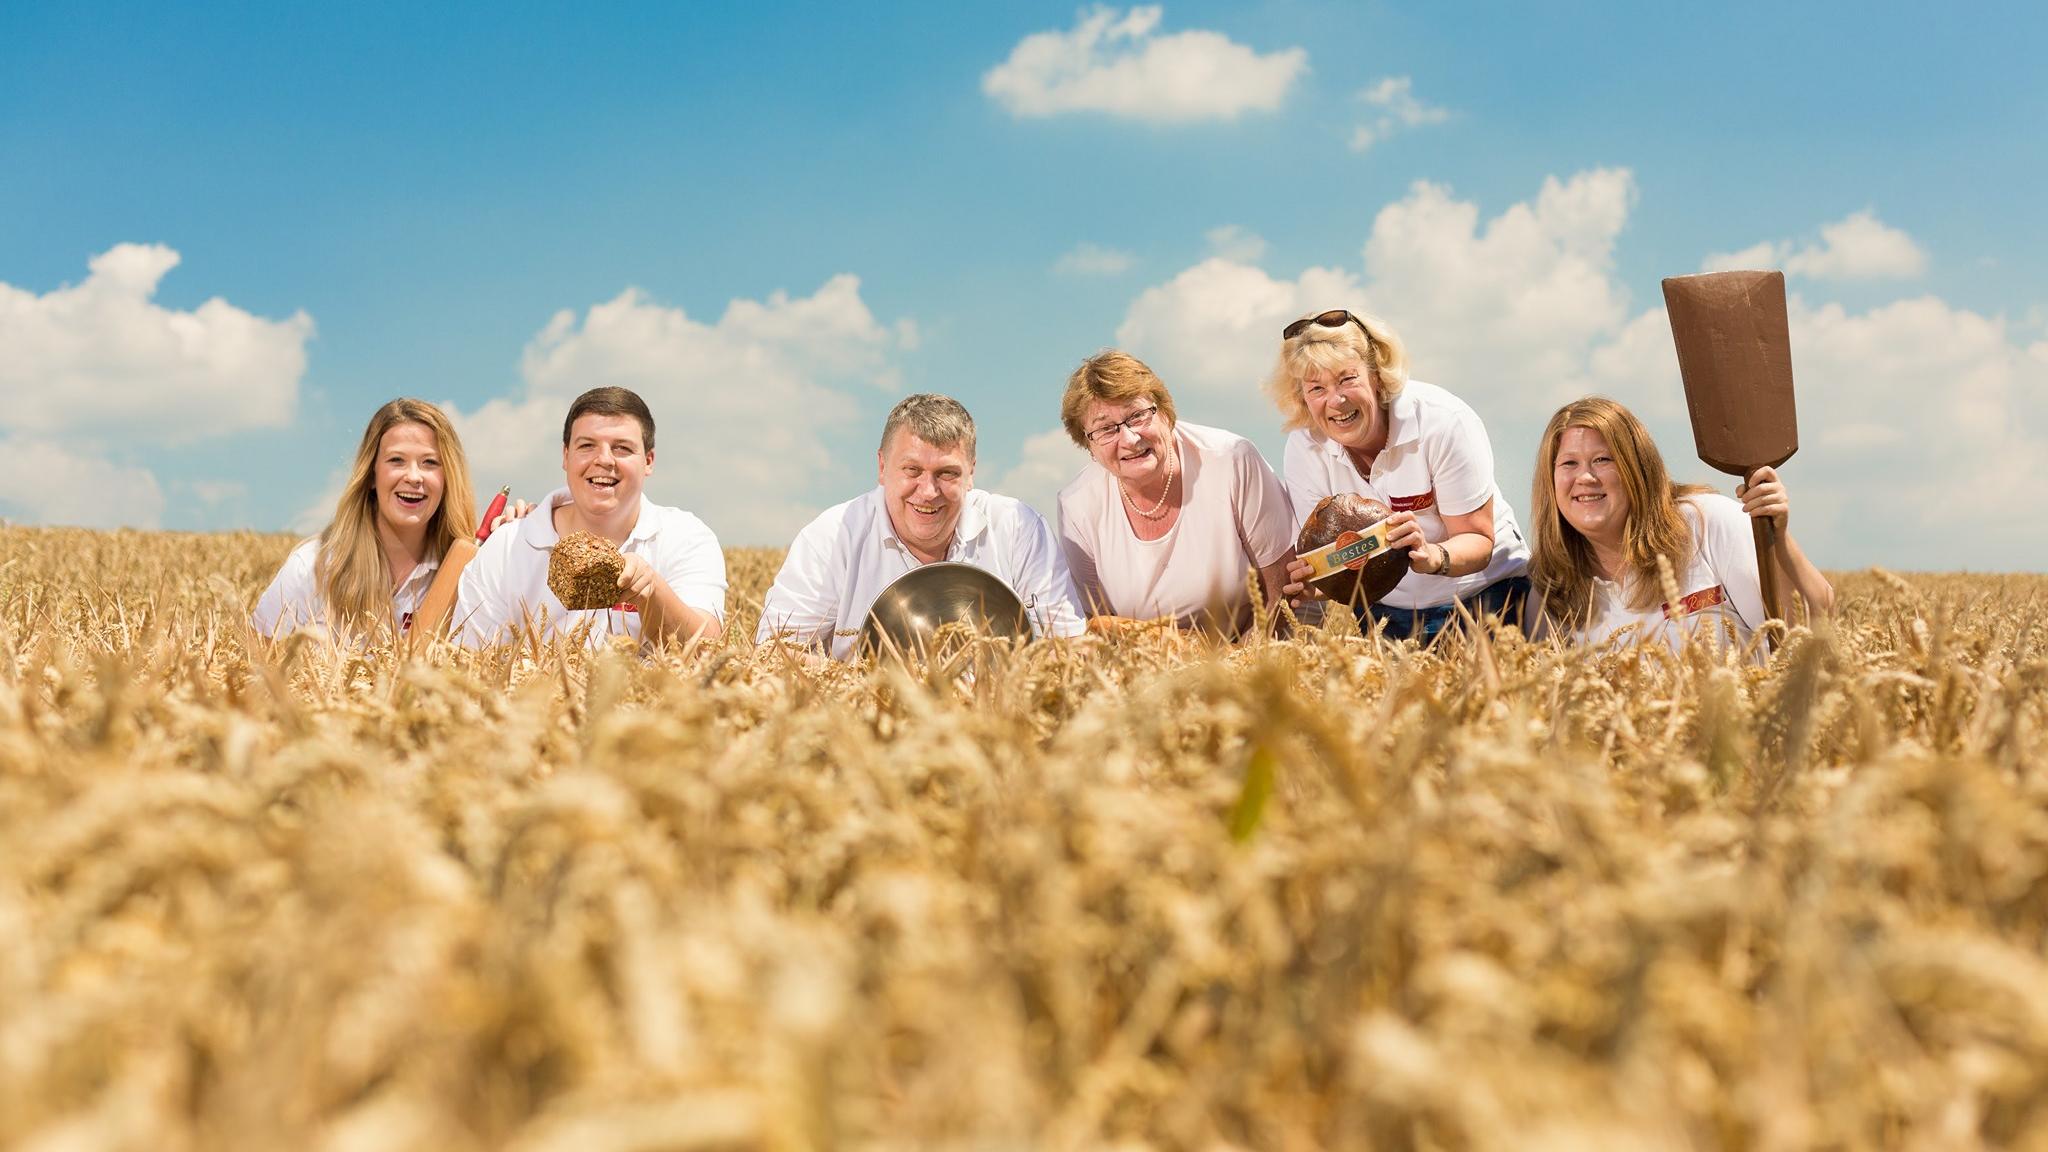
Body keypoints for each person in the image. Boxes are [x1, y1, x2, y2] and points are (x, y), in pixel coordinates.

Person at [756, 393, 1086, 660]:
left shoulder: (1019, 528)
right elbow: (774, 655)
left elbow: (1069, 650)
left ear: (971, 473)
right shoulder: (830, 537)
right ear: (882, 467)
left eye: (947, 473)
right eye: (912, 470)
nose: (928, 492)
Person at [1270, 308, 1531, 641]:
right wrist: (1317, 583)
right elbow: (1339, 563)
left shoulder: (1443, 421)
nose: (1335, 401)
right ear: (1302, 397)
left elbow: (1478, 540)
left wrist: (1432, 555)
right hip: (1384, 611)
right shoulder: (1305, 447)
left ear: (1377, 376)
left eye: (1347, 379)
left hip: (1485, 595)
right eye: (1316, 388)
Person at [1529, 396, 1833, 648]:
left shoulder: (1707, 522)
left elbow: (1810, 625)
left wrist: (1776, 539)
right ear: (1550, 480)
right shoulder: (1551, 587)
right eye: (1569, 463)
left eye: (1603, 460)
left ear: (1637, 468)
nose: (1585, 477)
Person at [455, 387, 726, 649]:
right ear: (565, 456)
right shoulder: (506, 546)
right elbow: (470, 663)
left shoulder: (687, 538)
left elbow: (707, 652)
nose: (604, 460)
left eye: (622, 448)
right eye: (587, 445)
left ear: (649, 461)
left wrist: (652, 591)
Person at [1054, 350, 1296, 636]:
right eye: (1106, 429)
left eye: (1137, 416)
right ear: (1088, 445)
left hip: (1254, 646)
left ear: (1166, 415)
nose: (1130, 439)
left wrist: (1240, 666)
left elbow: (1282, 585)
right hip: (1148, 666)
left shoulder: (1231, 459)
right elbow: (1098, 623)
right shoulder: (1077, 505)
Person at [252, 398, 480, 641]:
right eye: (396, 460)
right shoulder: (311, 568)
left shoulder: (471, 575)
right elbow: (249, 666)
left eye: (430, 463)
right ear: (371, 475)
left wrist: (510, 540)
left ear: (448, 479)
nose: (414, 476)